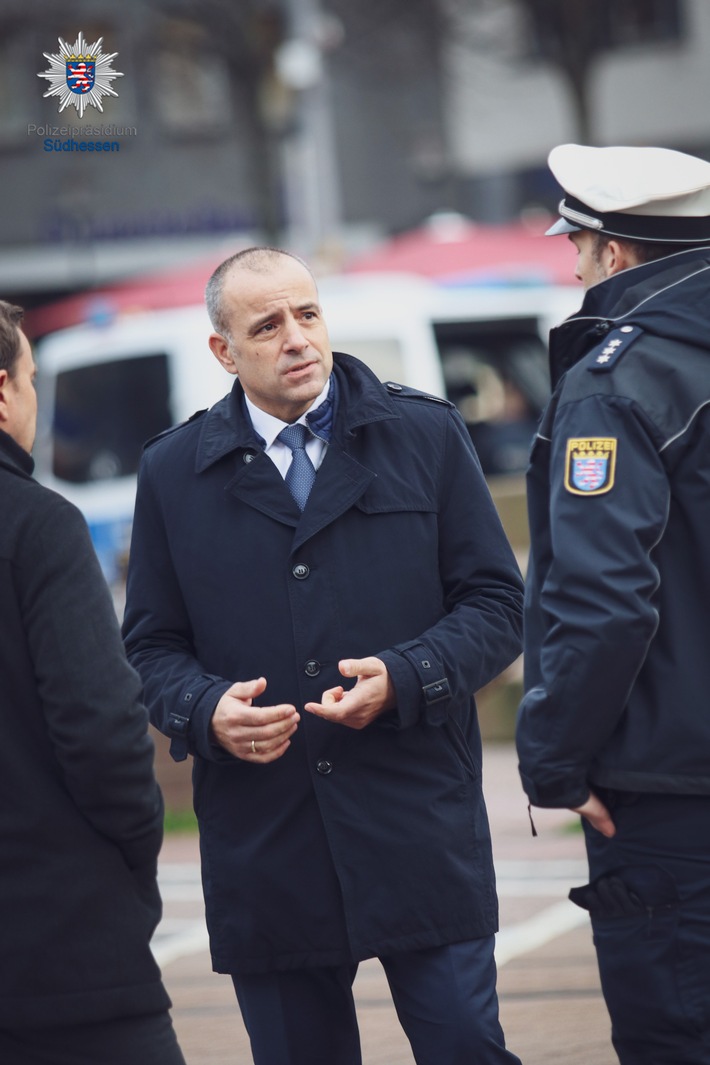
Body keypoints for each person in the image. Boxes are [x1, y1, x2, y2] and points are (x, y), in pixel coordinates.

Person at [122, 246, 525, 1065]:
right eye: (267, 325)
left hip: (416, 815)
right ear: (223, 351)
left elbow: (497, 604)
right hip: (267, 837)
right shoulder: (171, 471)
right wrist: (204, 709)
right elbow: (151, 646)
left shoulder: (425, 433)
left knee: (465, 1045)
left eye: (307, 313)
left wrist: (407, 676)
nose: (298, 338)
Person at [516, 144, 710, 1064]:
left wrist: (554, 758)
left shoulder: (617, 381)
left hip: (671, 796)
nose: (576, 268)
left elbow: (602, 601)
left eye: (578, 246)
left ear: (617, 253)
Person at [0, 299, 185, 1065]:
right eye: (31, 378)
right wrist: (133, 852)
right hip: (59, 944)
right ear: (2, 392)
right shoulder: (35, 524)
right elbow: (102, 728)